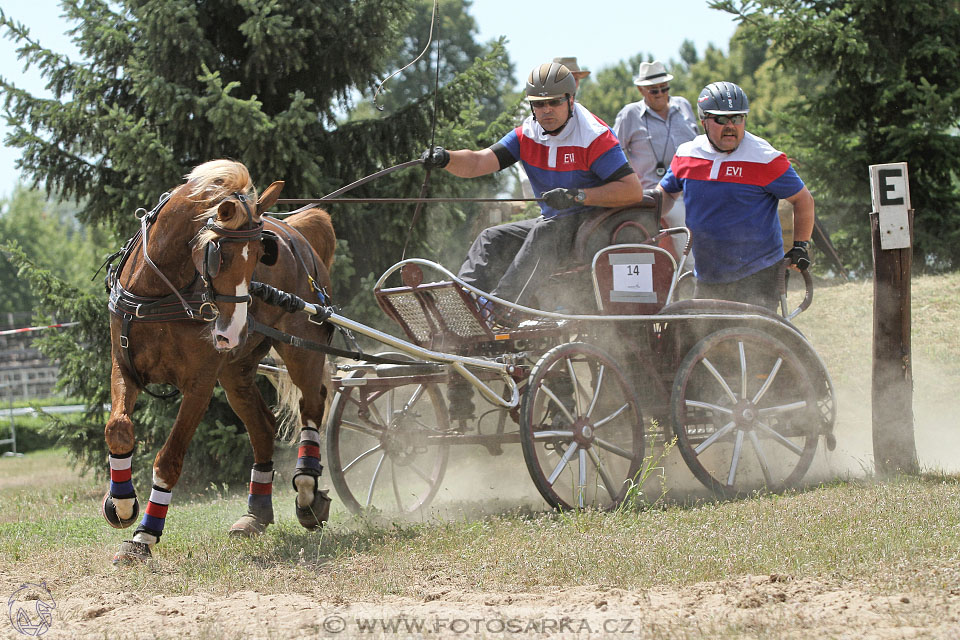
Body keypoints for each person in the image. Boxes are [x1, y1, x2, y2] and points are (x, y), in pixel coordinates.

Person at [421, 62, 644, 308]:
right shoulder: (526, 134)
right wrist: (446, 158)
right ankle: (462, 306)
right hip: (554, 223)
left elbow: (632, 191)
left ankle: (501, 310)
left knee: (545, 232)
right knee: (491, 238)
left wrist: (577, 196)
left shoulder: (594, 136)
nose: (546, 110)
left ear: (571, 100)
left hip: (593, 225)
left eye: (555, 102)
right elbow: (477, 163)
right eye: (539, 104)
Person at [656, 81, 814, 311]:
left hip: (757, 274)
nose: (730, 126)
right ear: (704, 121)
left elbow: (803, 200)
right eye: (721, 120)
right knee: (708, 344)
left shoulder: (764, 157)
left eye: (737, 118)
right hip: (708, 274)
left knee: (753, 344)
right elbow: (667, 194)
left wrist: (801, 246)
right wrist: (646, 219)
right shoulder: (687, 154)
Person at [614, 61, 699, 265]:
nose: (660, 93)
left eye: (664, 88)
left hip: (693, 189)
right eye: (654, 90)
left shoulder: (684, 106)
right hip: (656, 194)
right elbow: (614, 151)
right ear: (641, 89)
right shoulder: (630, 115)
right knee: (682, 222)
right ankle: (692, 276)